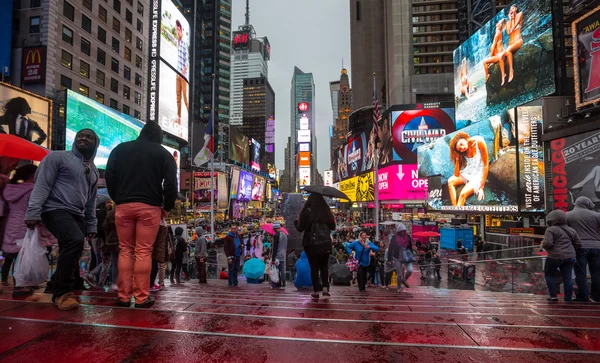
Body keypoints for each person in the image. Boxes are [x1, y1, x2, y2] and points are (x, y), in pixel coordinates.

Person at [25, 129, 99, 310]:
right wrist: (33, 212)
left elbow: (91, 201)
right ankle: (62, 294)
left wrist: (92, 224)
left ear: (95, 144)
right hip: (54, 209)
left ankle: (53, 285)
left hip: (78, 214)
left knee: (73, 247)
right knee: (74, 241)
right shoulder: (56, 157)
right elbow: (42, 184)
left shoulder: (94, 171)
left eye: (89, 137)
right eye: (80, 135)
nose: (83, 138)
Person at [105, 121, 177, 308]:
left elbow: (110, 177)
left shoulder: (120, 149)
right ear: (159, 137)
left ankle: (123, 296)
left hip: (123, 206)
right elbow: (170, 185)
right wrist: (167, 207)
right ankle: (141, 298)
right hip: (150, 207)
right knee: (144, 252)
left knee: (125, 250)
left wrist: (118, 199)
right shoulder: (163, 154)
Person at [1, 164, 37, 297]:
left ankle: (10, 282)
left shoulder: (9, 188)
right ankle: (20, 286)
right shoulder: (33, 190)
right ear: (33, 176)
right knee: (22, 258)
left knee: (11, 257)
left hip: (10, 224)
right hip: (25, 224)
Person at [294, 193, 336, 299]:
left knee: (314, 267)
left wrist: (296, 222)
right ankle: (325, 288)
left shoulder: (307, 211)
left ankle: (316, 290)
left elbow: (300, 228)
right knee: (324, 266)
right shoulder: (326, 211)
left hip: (311, 244)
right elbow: (333, 226)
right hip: (325, 243)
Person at [543, 210, 582, 302]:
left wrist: (544, 246)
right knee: (567, 278)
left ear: (551, 220)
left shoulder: (551, 229)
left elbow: (547, 244)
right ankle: (568, 298)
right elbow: (579, 244)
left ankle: (553, 296)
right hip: (570, 257)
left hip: (554, 257)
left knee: (549, 275)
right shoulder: (571, 230)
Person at [566, 197, 600, 302]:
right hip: (596, 246)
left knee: (580, 272)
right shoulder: (597, 215)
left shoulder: (568, 215)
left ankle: (583, 296)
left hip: (579, 247)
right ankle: (596, 297)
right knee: (597, 273)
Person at [447, 132, 489, 206]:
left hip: (478, 175)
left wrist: (481, 187)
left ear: (462, 138)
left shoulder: (479, 141)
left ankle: (457, 211)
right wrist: (457, 159)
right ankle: (455, 208)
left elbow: (486, 165)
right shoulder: (462, 152)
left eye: (461, 144)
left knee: (462, 194)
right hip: (468, 172)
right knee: (450, 181)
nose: (462, 148)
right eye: (460, 149)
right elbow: (456, 174)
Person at [387, 224, 414, 292]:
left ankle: (404, 280)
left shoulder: (407, 237)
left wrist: (412, 256)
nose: (403, 232)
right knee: (399, 274)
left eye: (404, 231)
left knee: (410, 270)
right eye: (401, 231)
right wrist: (389, 259)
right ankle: (399, 287)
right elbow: (390, 248)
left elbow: (410, 247)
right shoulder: (394, 237)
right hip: (397, 257)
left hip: (407, 256)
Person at [483, 19, 507, 85]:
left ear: (500, 26)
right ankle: (488, 75)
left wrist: (490, 58)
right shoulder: (498, 32)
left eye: (498, 23)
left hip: (499, 55)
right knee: (485, 61)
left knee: (485, 62)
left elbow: (493, 48)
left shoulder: (498, 33)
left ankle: (502, 75)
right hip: (498, 54)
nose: (497, 23)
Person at [504, 5, 523, 83]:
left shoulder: (520, 14)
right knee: (501, 55)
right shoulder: (508, 22)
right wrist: (510, 19)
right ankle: (503, 75)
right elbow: (509, 32)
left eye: (513, 8)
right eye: (510, 8)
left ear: (516, 9)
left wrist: (513, 19)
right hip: (510, 44)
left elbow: (514, 26)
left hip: (518, 41)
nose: (511, 10)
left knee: (508, 50)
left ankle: (511, 71)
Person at [175, 20, 189, 125]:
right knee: (178, 97)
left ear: (181, 30)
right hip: (177, 74)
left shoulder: (184, 43)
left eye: (178, 30)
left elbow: (186, 62)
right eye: (176, 29)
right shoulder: (178, 42)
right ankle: (178, 119)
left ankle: (191, 119)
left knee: (185, 99)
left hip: (183, 76)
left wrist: (182, 73)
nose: (177, 32)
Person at [271, 222, 288, 288]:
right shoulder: (285, 235)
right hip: (283, 255)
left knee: (275, 271)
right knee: (282, 270)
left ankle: (276, 284)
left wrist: (273, 258)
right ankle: (283, 283)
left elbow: (275, 248)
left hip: (277, 256)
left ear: (275, 228)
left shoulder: (276, 235)